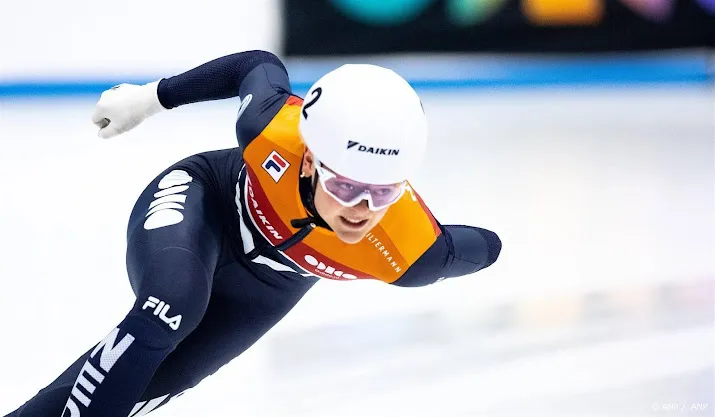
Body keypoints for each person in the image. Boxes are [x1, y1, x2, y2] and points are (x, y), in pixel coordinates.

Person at [4, 50, 501, 417]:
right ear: (308, 159)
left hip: (269, 286)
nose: (362, 210)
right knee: (171, 305)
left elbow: (482, 247)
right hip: (205, 202)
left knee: (151, 384)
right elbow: (256, 65)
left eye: (384, 193)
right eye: (346, 186)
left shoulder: (409, 252)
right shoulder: (270, 129)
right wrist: (150, 98)